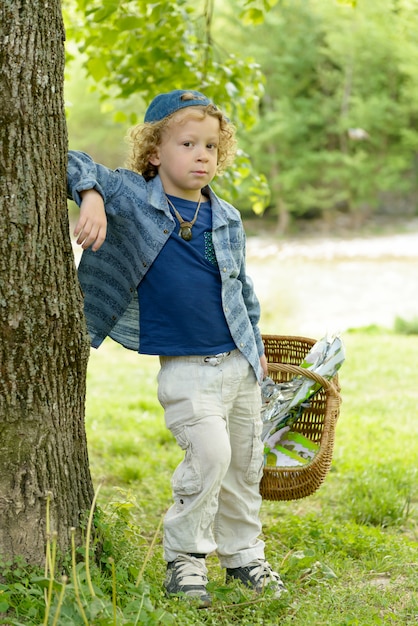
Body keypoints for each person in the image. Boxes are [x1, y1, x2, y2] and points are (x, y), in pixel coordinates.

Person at [67, 89, 286, 608]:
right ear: (154, 152)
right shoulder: (132, 199)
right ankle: (185, 559)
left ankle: (245, 555)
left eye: (211, 145)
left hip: (238, 362)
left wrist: (259, 363)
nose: (202, 155)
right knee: (209, 457)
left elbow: (242, 294)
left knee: (243, 467)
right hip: (187, 368)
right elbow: (68, 160)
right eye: (187, 143)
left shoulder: (227, 217)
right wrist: (92, 197)